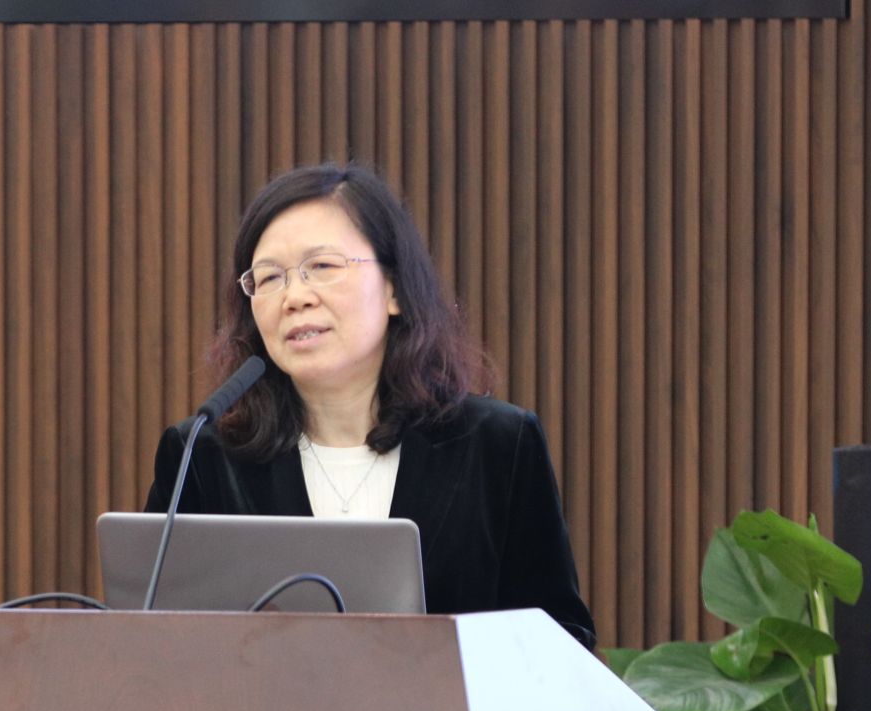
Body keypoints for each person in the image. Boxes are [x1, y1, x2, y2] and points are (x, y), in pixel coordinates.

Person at [145, 161, 597, 649]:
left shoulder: (497, 447)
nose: (294, 297)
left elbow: (562, 642)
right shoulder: (203, 457)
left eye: (322, 267)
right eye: (269, 277)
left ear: (394, 288)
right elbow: (149, 643)